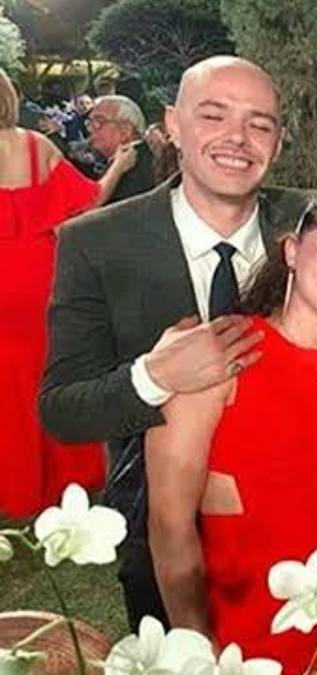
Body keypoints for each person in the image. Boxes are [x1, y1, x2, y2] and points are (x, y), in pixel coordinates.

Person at [40, 56, 307, 629]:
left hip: (305, 540)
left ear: (279, 141)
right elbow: (62, 409)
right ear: (173, 125)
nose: (237, 137)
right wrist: (153, 377)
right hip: (160, 538)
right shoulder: (97, 243)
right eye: (213, 115)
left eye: (259, 123)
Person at [146, 187, 317, 672]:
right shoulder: (219, 356)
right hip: (243, 638)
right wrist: (198, 650)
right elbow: (169, 526)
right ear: (292, 251)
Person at [0, 66, 136, 519]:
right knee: (48, 374)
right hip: (40, 278)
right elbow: (88, 203)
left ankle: (16, 489)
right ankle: (64, 482)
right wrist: (119, 167)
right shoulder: (36, 146)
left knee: (7, 386)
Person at [87, 94, 156, 203]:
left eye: (98, 122)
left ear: (125, 130)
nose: (90, 129)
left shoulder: (136, 168)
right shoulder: (136, 158)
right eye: (90, 122)